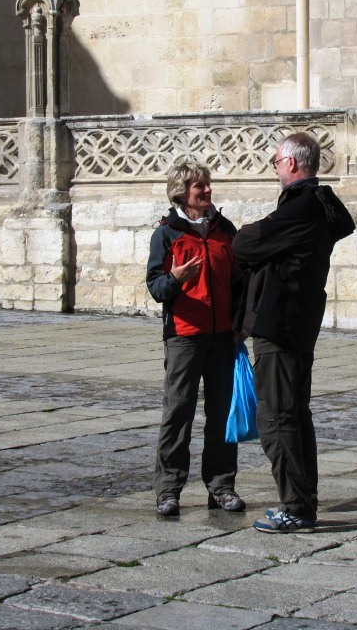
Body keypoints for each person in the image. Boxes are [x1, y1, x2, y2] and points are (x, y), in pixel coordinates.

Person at [232, 132, 355, 533]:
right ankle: (303, 500)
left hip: (281, 323)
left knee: (277, 417)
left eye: (276, 162)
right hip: (298, 321)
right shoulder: (315, 204)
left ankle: (297, 506)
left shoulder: (302, 206)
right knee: (295, 415)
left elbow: (246, 242)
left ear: (290, 163)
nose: (275, 169)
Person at [146, 159, 245, 516]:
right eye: (199, 185)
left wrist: (240, 323)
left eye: (207, 183)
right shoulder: (166, 234)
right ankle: (168, 490)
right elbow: (156, 288)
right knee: (178, 413)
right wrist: (176, 278)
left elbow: (239, 283)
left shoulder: (225, 230)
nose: (207, 190)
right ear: (181, 192)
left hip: (223, 338)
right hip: (184, 337)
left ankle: (221, 487)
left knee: (222, 415)